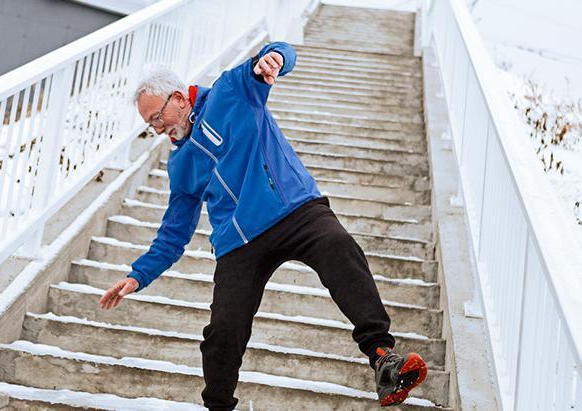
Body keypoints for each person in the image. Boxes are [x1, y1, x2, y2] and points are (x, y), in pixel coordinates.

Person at [99, 41, 427, 409]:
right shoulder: (181, 166)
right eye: (150, 125)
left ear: (178, 98)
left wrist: (276, 59)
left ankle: (383, 356)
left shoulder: (230, 91)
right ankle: (218, 405)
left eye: (156, 118)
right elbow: (173, 235)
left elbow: (273, 56)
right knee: (223, 330)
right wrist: (138, 275)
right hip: (239, 241)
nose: (157, 129)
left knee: (339, 246)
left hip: (294, 208)